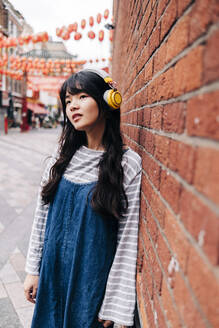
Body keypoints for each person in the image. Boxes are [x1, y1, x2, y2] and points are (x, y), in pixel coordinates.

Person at [24, 68, 142, 328]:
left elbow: (127, 237)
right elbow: (41, 218)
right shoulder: (59, 161)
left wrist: (116, 304)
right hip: (52, 277)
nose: (72, 106)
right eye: (67, 101)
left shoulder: (127, 164)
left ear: (108, 100)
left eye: (82, 97)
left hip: (92, 285)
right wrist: (33, 270)